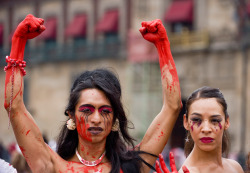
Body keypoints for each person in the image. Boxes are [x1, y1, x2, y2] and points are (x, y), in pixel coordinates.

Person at [4, 14, 182, 172]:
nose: (96, 119)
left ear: (114, 120)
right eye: (87, 110)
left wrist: (163, 45)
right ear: (71, 116)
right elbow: (14, 108)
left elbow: (173, 107)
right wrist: (18, 41)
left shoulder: (132, 166)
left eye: (105, 111)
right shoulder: (52, 165)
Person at [154, 87, 244, 173]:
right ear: (186, 122)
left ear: (227, 122)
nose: (206, 129)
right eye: (196, 120)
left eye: (215, 120)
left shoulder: (235, 167)